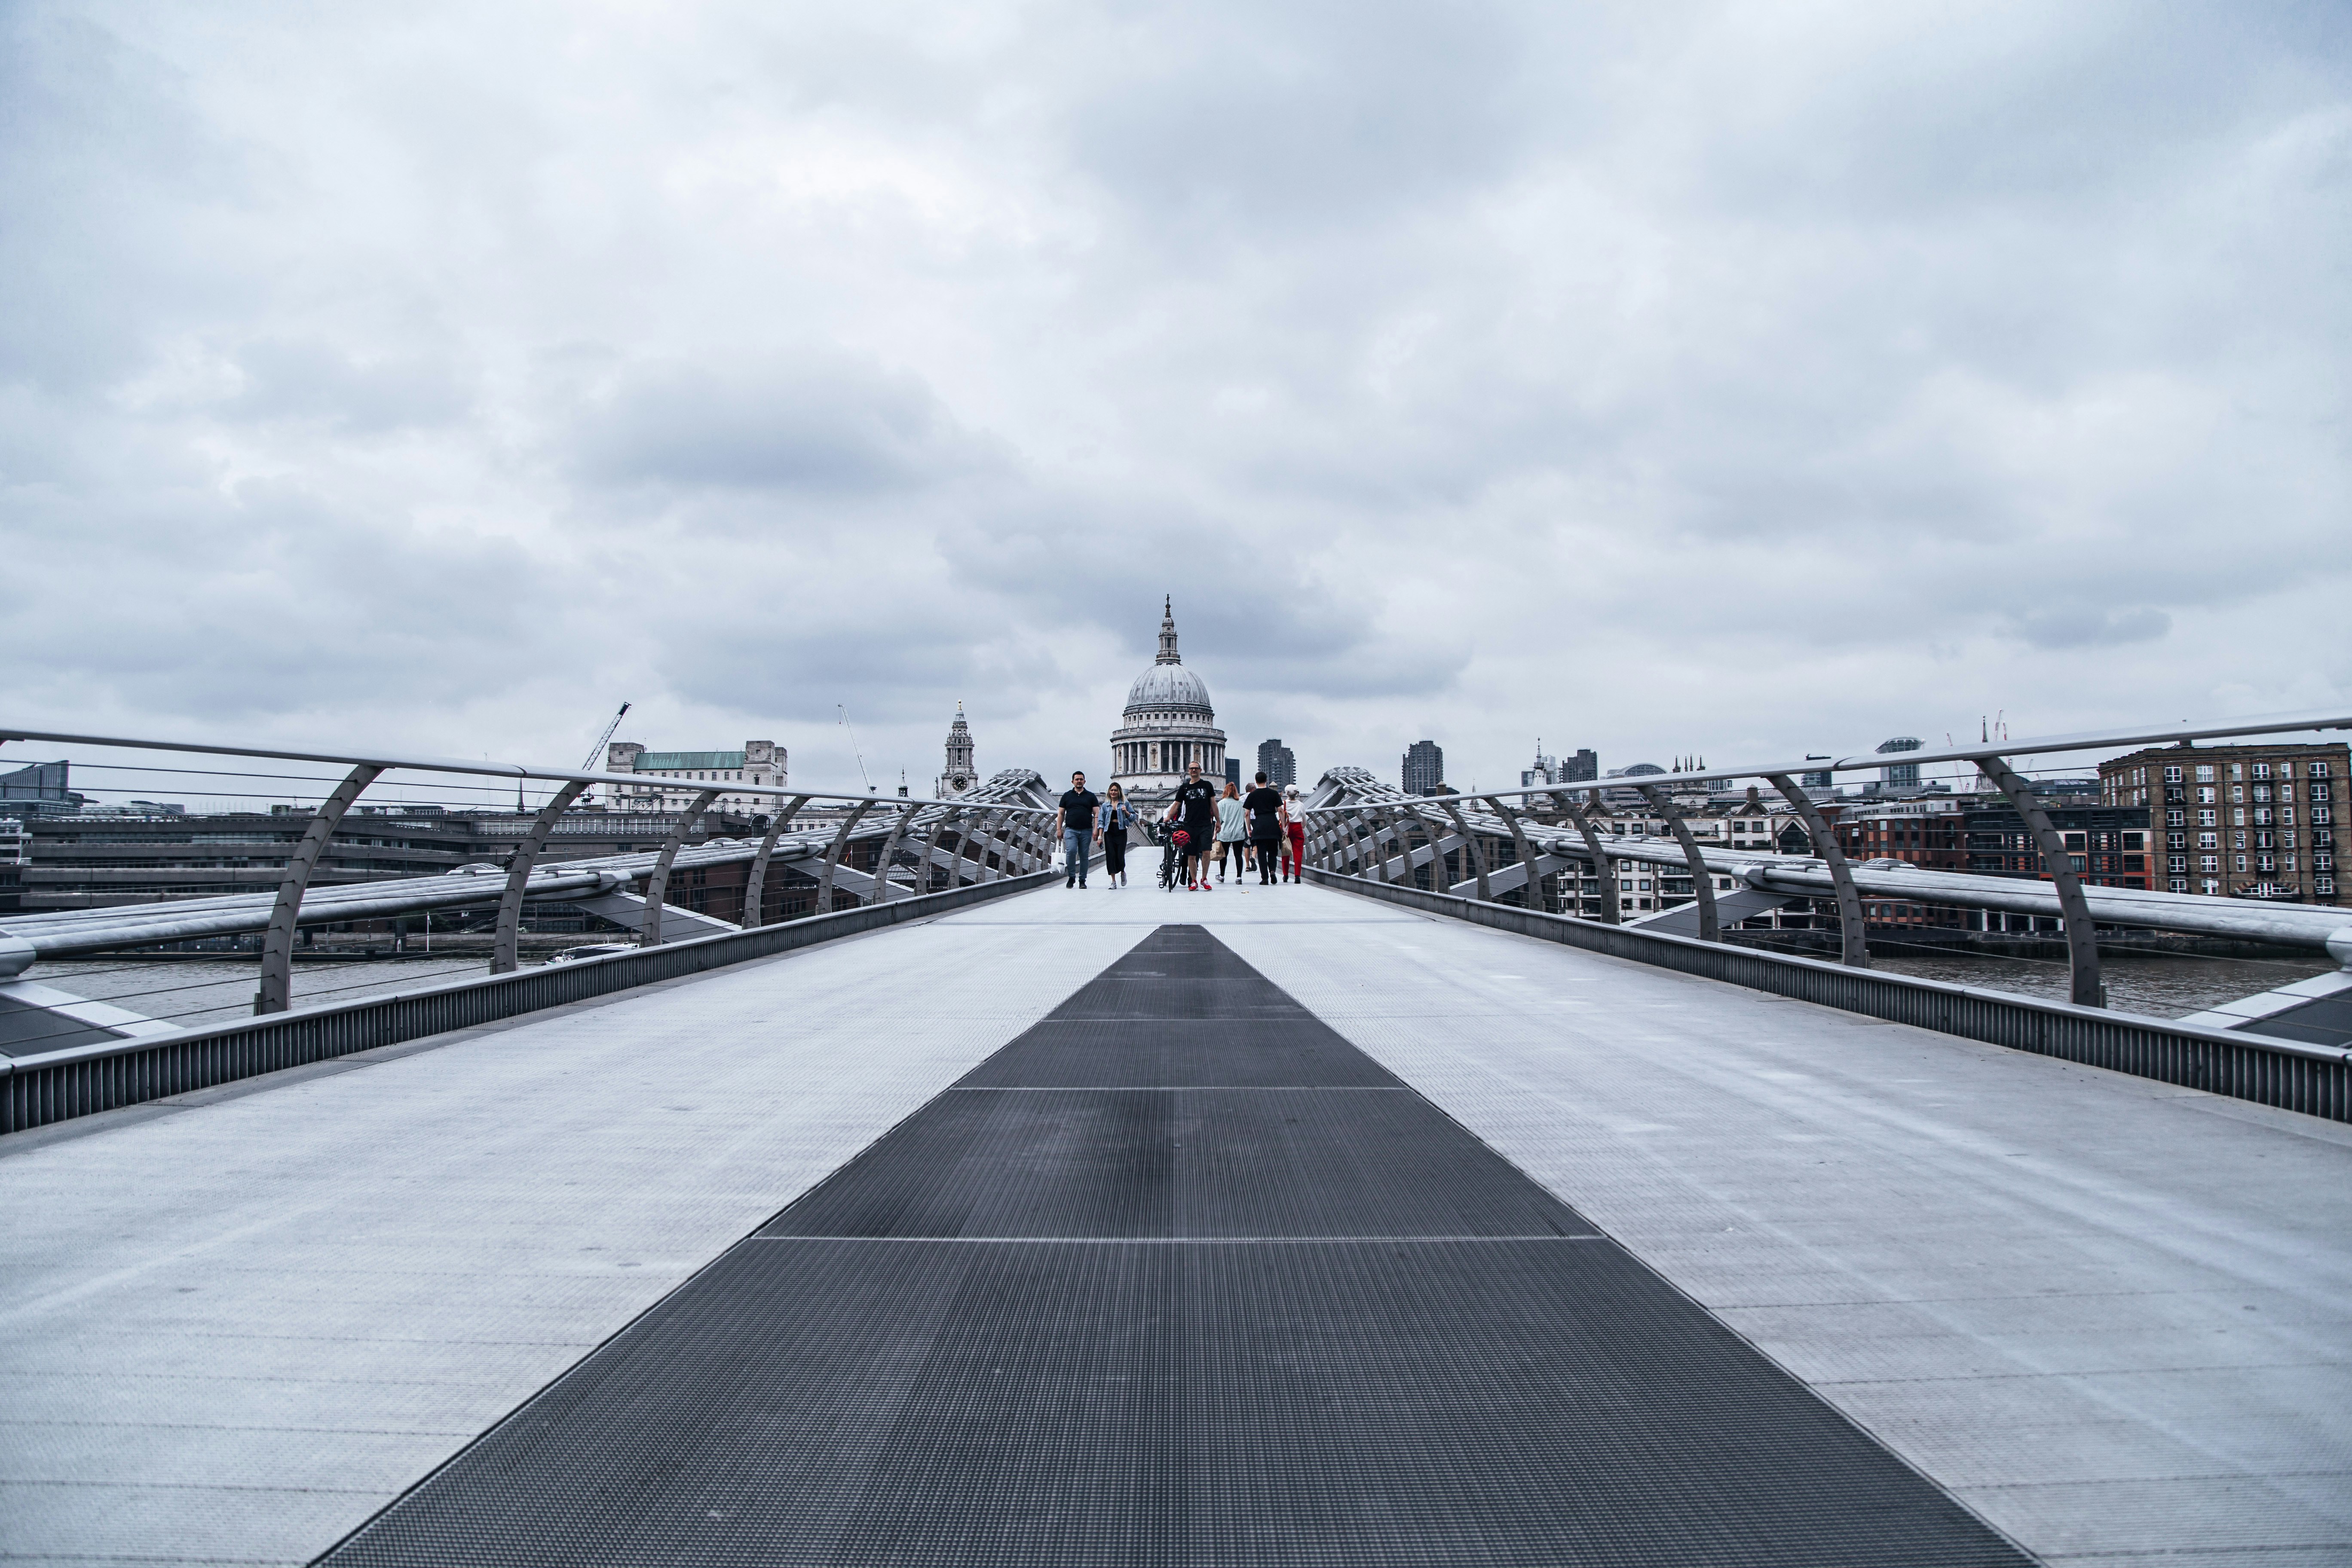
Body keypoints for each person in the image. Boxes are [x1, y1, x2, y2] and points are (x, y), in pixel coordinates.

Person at [1169, 762, 1219, 890]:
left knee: (1206, 852)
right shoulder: (1184, 788)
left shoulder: (1207, 785)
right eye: (1192, 769)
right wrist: (1168, 818)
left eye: (1196, 768)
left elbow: (1214, 804)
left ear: (1200, 770)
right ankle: (1194, 881)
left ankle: (1204, 879)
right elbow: (1176, 804)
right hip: (1189, 825)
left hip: (1206, 824)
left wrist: (1218, 821)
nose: (1194, 770)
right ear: (1188, 771)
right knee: (1191, 855)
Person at [1056, 771, 1099, 890]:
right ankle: (1071, 877)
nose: (1079, 781)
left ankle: (1082, 880)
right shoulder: (1067, 796)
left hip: (1087, 830)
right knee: (1071, 852)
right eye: (1077, 779)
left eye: (1081, 779)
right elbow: (1061, 814)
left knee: (1084, 855)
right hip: (1071, 829)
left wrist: (1096, 829)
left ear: (1084, 781)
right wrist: (1059, 829)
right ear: (1073, 782)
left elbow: (1096, 814)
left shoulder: (1091, 796)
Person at [1245, 772, 1285, 885]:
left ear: (1256, 781)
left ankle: (1265, 878)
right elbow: (1281, 810)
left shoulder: (1252, 795)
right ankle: (1272, 870)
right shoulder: (1274, 793)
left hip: (1259, 825)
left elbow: (1247, 814)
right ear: (1266, 780)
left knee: (1261, 853)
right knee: (1273, 851)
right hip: (1273, 824)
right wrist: (1284, 826)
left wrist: (1249, 829)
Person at [1096, 782, 1134, 888]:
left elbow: (1133, 818)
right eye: (1112, 790)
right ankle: (1113, 881)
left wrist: (1126, 812)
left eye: (1115, 790)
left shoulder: (1125, 804)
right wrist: (1100, 837)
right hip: (1109, 832)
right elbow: (1101, 822)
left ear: (1119, 792)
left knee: (1120, 856)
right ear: (1109, 792)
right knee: (1111, 856)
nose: (1113, 792)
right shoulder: (1105, 806)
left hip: (1121, 831)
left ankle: (1122, 872)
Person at [1214, 780, 1247, 886]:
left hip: (1225, 833)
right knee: (1238, 855)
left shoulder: (1222, 804)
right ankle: (1239, 877)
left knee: (1223, 855)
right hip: (1239, 833)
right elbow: (1244, 818)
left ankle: (1222, 876)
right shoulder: (1241, 804)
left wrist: (1215, 835)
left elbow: (1219, 820)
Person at [1282, 785, 1307, 883]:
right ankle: (1297, 876)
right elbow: (1304, 820)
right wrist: (1302, 827)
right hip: (1298, 828)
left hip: (1288, 829)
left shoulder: (1284, 804)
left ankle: (1286, 875)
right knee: (1298, 853)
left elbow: (1280, 817)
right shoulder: (1301, 805)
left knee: (1286, 852)